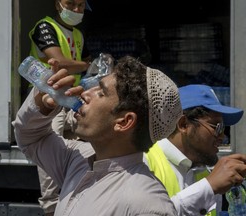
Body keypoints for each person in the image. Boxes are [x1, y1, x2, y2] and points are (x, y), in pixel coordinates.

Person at [13, 55, 183, 216]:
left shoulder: (147, 204)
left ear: (124, 122)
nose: (85, 94)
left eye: (101, 93)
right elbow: (32, 138)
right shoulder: (78, 160)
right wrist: (44, 101)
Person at [27, 0, 92, 214]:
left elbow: (83, 62)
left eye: (80, 6)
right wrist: (85, 65)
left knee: (81, 145)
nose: (76, 10)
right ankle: (50, 206)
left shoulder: (79, 35)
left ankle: (75, 198)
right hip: (49, 96)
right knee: (49, 146)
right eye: (70, 4)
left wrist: (83, 66)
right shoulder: (45, 27)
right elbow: (60, 61)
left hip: (71, 97)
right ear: (58, 4)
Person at [144, 84, 246, 216]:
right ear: (183, 125)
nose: (222, 136)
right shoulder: (143, 163)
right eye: (217, 127)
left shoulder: (204, 170)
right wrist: (208, 187)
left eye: (224, 128)